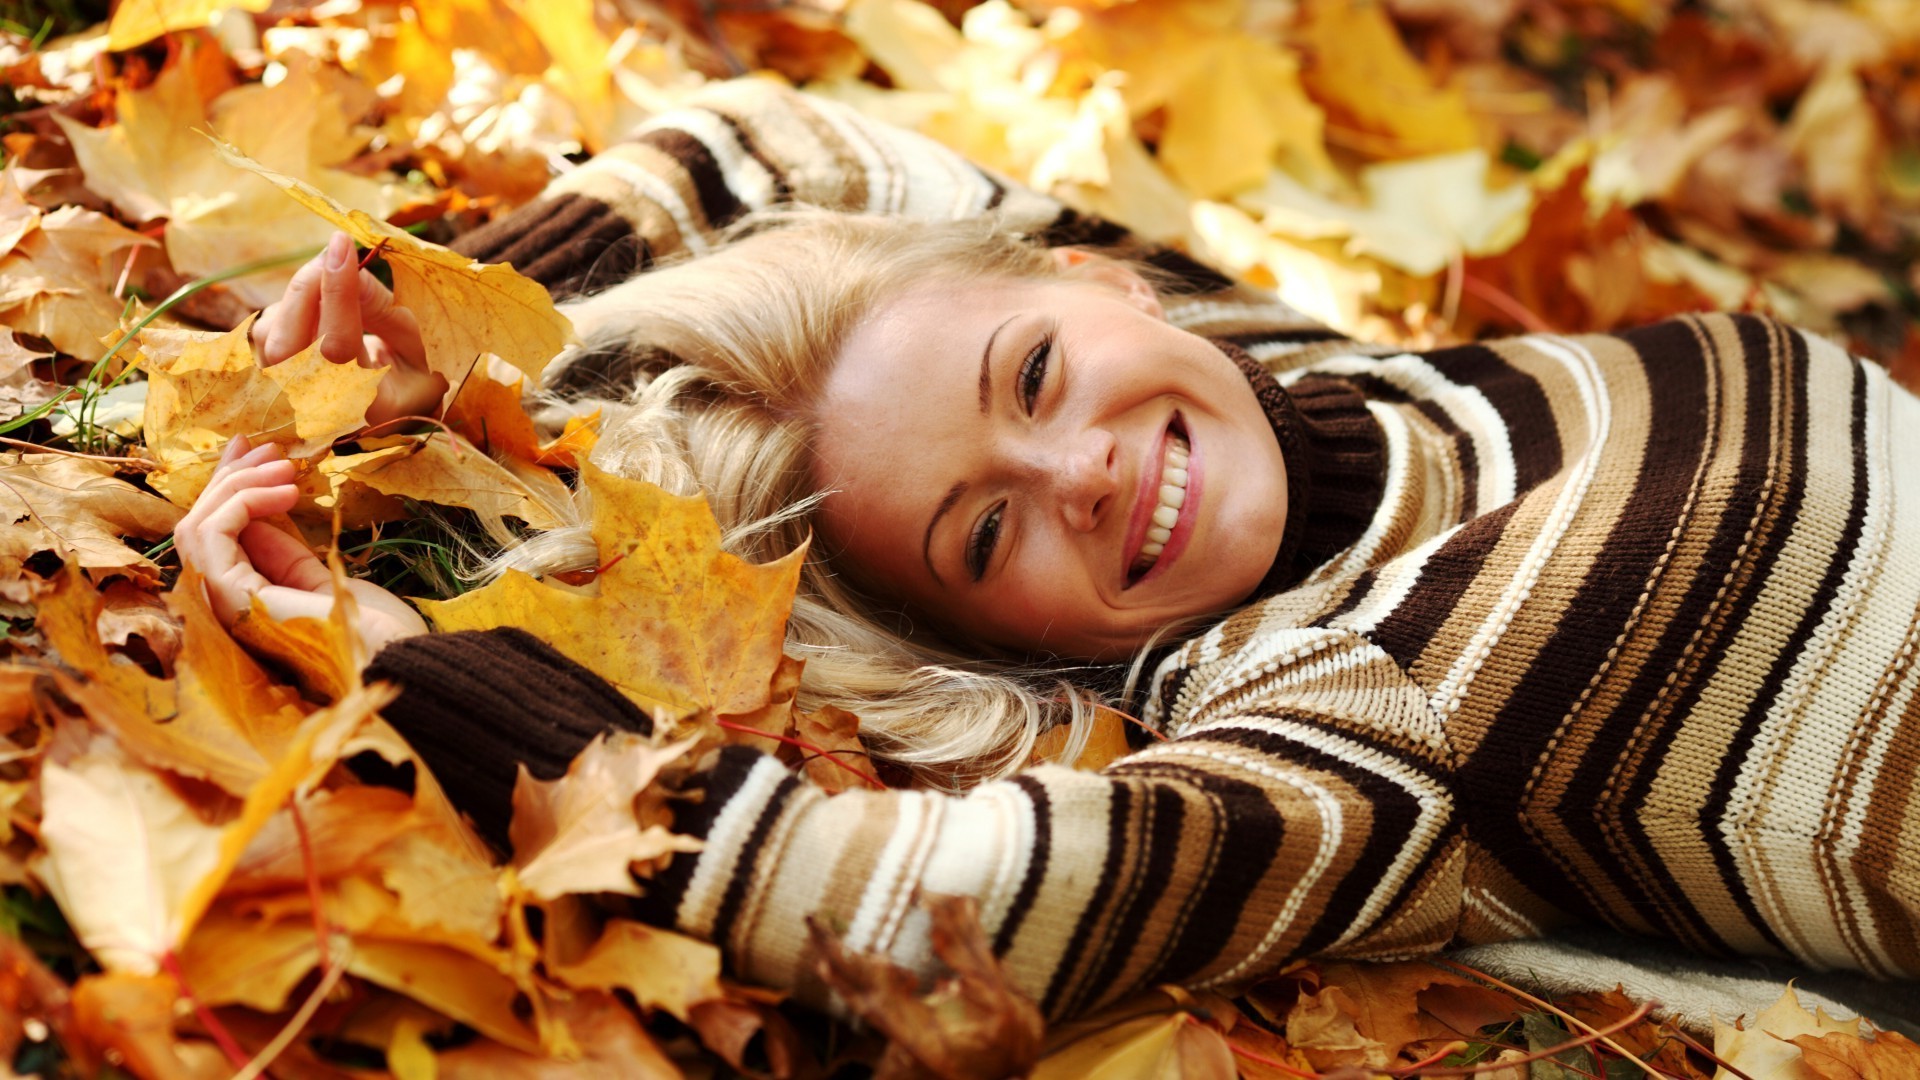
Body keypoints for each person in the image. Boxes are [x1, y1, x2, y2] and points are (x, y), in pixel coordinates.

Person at [174, 88, 1920, 1022]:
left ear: (1101, 282)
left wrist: (467, 321)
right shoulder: (1338, 698)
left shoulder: (1286, 368)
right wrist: (402, 655)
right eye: (985, 529)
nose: (1080, 471)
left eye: (1032, 375)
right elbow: (920, 908)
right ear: (987, 635)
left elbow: (776, 141)